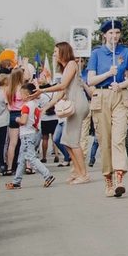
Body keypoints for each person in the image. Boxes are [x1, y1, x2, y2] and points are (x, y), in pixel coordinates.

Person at [87, 18, 128, 197]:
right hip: (101, 96)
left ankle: (119, 178)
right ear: (104, 35)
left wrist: (121, 84)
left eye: (117, 33)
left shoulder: (126, 52)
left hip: (119, 96)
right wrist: (109, 73)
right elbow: (90, 80)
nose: (114, 36)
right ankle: (108, 179)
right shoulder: (97, 54)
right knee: (105, 140)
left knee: (118, 138)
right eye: (110, 33)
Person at [38, 42, 91, 184]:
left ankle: (83, 174)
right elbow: (62, 92)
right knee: (66, 142)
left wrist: (42, 90)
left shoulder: (72, 64)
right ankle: (76, 172)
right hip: (74, 105)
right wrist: (47, 106)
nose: (54, 54)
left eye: (56, 51)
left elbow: (62, 86)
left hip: (78, 105)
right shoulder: (67, 67)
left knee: (73, 142)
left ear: (63, 52)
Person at [4, 82, 54, 190]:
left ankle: (47, 175)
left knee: (31, 157)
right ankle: (16, 181)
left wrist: (16, 119)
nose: (20, 96)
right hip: (33, 132)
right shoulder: (35, 104)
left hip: (27, 134)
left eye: (21, 94)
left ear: (27, 95)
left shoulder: (26, 106)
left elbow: (23, 120)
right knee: (22, 159)